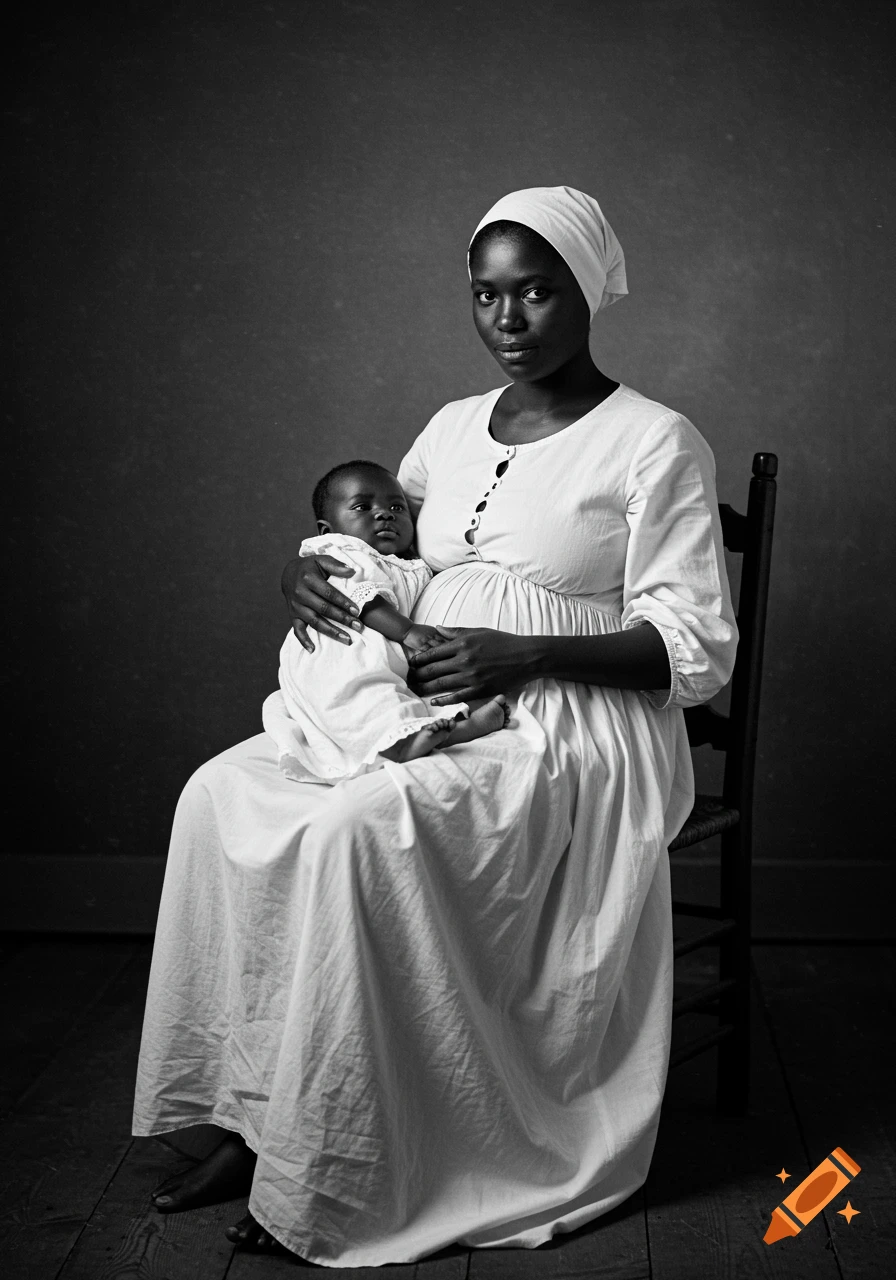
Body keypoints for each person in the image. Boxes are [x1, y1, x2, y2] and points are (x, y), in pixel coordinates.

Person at [134, 185, 737, 1265]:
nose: (508, 320)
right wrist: (306, 565)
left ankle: (344, 1150)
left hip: (570, 724)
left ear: (586, 291)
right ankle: (253, 1118)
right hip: (429, 698)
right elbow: (392, 553)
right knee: (216, 791)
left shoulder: (655, 441)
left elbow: (690, 647)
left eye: (536, 292)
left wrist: (530, 651)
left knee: (350, 830)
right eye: (485, 295)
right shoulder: (452, 428)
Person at [262, 457, 509, 776]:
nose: (383, 514)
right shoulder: (343, 553)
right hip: (338, 648)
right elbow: (356, 596)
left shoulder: (405, 562)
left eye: (397, 508)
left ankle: (439, 730)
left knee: (385, 692)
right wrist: (406, 632)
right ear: (328, 528)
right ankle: (401, 743)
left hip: (371, 652)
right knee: (361, 695)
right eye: (362, 507)